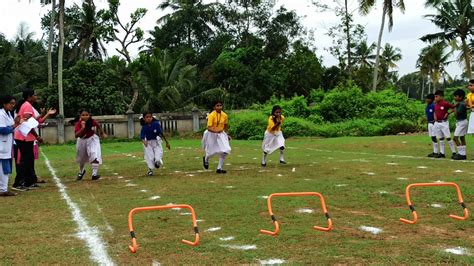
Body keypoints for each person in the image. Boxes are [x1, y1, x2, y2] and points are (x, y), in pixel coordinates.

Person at [12, 90, 42, 191]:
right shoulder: (27, 106)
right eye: (34, 95)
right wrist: (37, 136)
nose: (36, 96)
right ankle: (19, 182)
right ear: (29, 96)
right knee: (25, 160)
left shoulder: (26, 105)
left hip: (25, 137)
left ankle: (29, 181)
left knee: (28, 159)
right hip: (23, 137)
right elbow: (28, 124)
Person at [74, 110, 107, 181]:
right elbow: (76, 135)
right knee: (81, 158)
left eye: (87, 115)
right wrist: (82, 128)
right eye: (83, 115)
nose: (85, 116)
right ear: (80, 116)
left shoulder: (92, 122)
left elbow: (98, 125)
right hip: (82, 140)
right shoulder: (78, 124)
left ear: (89, 115)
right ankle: (81, 171)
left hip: (92, 139)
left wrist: (102, 133)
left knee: (94, 154)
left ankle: (94, 174)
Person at [0, 95, 22, 196]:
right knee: (4, 168)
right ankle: (3, 189)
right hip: (2, 146)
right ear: (4, 104)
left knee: (6, 168)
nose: (12, 105)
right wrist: (14, 125)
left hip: (7, 145)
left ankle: (3, 188)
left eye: (14, 103)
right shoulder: (1, 114)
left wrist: (17, 122)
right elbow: (3, 130)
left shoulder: (8, 114)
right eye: (11, 103)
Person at [202, 100, 231, 174]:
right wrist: (216, 131)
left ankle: (219, 168)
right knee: (211, 152)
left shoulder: (224, 115)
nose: (219, 107)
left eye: (220, 105)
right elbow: (209, 128)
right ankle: (206, 159)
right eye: (217, 106)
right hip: (211, 134)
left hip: (221, 134)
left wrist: (226, 134)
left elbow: (226, 125)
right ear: (214, 107)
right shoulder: (211, 115)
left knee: (226, 150)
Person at [140, 112, 170, 176]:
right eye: (147, 117)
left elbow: (161, 133)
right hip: (148, 143)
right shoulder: (144, 127)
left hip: (156, 142)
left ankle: (157, 162)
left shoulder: (156, 124)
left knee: (158, 154)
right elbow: (142, 136)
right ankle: (150, 170)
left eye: (150, 117)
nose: (148, 118)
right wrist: (144, 141)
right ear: (144, 119)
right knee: (150, 157)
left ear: (152, 117)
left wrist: (167, 142)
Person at [433, 90, 456, 159]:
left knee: (448, 137)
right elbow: (435, 112)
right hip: (437, 123)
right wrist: (434, 116)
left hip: (444, 123)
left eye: (436, 97)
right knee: (441, 138)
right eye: (435, 97)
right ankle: (442, 153)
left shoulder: (445, 103)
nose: (435, 98)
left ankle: (454, 152)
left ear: (441, 97)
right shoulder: (436, 104)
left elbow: (454, 108)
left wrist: (448, 113)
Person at [452, 89, 468, 160]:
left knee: (455, 138)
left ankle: (460, 154)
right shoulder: (461, 104)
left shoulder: (461, 105)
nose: (454, 97)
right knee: (462, 137)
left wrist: (454, 106)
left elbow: (456, 114)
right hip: (462, 122)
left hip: (461, 122)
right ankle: (463, 155)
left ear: (460, 97)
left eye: (456, 96)